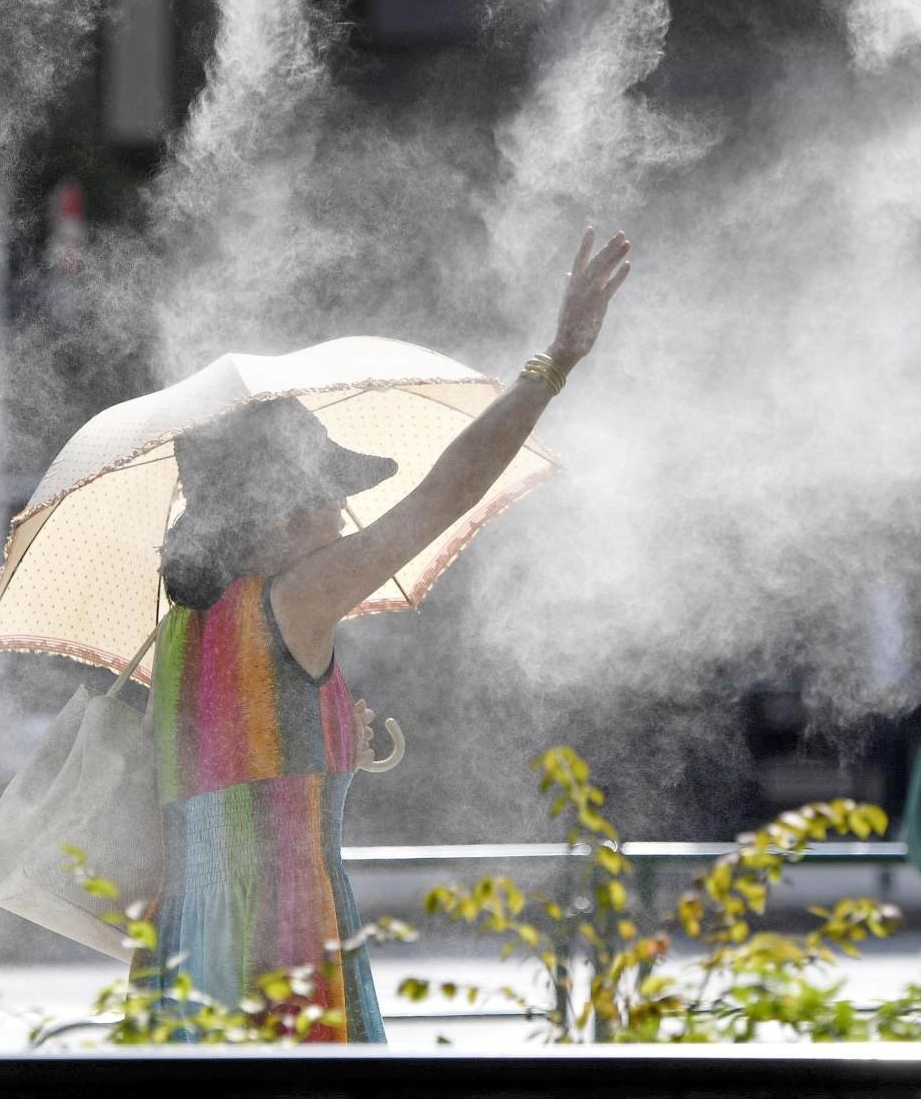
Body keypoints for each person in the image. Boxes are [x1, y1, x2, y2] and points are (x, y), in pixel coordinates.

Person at [134, 229, 632, 1042]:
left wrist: (328, 739)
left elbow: (236, 768)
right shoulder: (292, 599)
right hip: (278, 937)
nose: (343, 515)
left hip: (188, 939)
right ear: (276, 510)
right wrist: (553, 364)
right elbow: (444, 495)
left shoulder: (183, 625)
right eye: (328, 495)